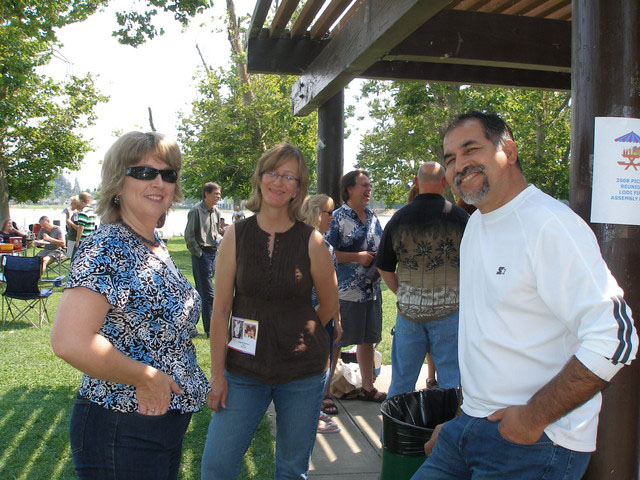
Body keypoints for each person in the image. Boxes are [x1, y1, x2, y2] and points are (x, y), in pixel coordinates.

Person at [412, 111, 638, 480]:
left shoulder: (550, 225)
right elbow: (486, 339)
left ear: (510, 151)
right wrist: (459, 421)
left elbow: (615, 338)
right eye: (451, 158)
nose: (460, 164)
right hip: (468, 428)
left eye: (472, 149)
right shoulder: (476, 228)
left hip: (534, 444)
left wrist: (532, 419)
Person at [50, 131, 209, 479]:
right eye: (143, 172)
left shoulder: (152, 244)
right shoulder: (107, 246)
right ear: (118, 182)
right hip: (120, 425)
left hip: (160, 423)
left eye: (168, 174)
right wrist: (146, 377)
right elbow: (70, 341)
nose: (159, 182)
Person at [201, 144, 339, 479]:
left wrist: (297, 335)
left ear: (298, 187)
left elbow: (330, 303)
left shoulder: (312, 241)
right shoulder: (236, 234)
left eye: (289, 176)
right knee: (217, 465)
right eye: (273, 173)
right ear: (260, 178)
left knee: (292, 469)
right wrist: (218, 375)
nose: (279, 182)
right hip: (243, 371)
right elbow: (220, 310)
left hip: (302, 373)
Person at [377, 162, 468, 401]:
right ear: (443, 183)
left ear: (416, 183)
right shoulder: (460, 218)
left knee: (402, 383)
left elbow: (384, 266)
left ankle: (392, 435)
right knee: (452, 381)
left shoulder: (398, 219)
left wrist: (403, 293)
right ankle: (448, 434)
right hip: (450, 312)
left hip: (409, 313)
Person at [325, 169, 386, 402]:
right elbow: (326, 253)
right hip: (345, 293)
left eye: (369, 185)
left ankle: (368, 387)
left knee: (369, 340)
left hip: (371, 291)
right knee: (336, 342)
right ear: (349, 189)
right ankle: (325, 392)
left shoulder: (372, 217)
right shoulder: (338, 217)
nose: (368, 189)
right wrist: (357, 256)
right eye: (363, 185)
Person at [301, 194, 344, 433]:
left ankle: (313, 411)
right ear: (316, 213)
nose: (332, 218)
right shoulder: (313, 244)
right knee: (313, 368)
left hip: (325, 316)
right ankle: (309, 416)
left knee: (320, 366)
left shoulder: (324, 244)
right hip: (311, 317)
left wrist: (337, 319)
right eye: (329, 213)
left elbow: (333, 288)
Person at [184, 182, 223, 338]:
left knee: (203, 293)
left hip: (214, 253)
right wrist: (199, 254)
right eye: (216, 194)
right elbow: (189, 237)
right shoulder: (195, 211)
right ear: (206, 194)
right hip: (202, 255)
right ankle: (209, 329)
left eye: (219, 194)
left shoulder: (217, 212)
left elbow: (216, 233)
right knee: (207, 294)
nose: (219, 197)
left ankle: (191, 325)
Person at [74, 191, 97, 256]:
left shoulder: (83, 212)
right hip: (90, 239)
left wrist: (77, 241)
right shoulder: (92, 211)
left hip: (83, 240)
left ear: (81, 200)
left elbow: (81, 227)